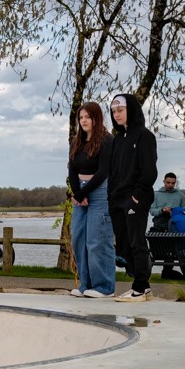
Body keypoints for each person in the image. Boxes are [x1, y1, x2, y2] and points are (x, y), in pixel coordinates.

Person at [106, 93, 157, 301]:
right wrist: (111, 197)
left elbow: (149, 172)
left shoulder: (145, 136)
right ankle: (141, 283)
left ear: (131, 110)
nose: (116, 115)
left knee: (137, 242)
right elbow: (113, 172)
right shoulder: (118, 139)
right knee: (123, 245)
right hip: (117, 200)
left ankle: (140, 287)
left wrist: (136, 196)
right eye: (113, 111)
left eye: (120, 110)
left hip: (135, 199)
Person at [66, 102, 115, 297]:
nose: (83, 121)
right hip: (80, 192)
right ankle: (85, 285)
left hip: (100, 192)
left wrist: (84, 193)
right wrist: (77, 193)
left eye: (88, 117)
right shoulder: (76, 141)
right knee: (78, 239)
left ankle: (104, 287)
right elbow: (72, 169)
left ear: (97, 118)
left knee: (97, 240)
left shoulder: (107, 140)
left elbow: (104, 171)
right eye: (81, 117)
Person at [150, 172, 185, 279]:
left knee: (173, 252)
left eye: (173, 183)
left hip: (175, 228)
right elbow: (152, 211)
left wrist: (174, 211)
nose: (170, 185)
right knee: (160, 251)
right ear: (164, 182)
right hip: (159, 227)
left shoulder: (180, 195)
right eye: (168, 182)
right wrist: (162, 210)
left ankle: (168, 272)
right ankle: (166, 272)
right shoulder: (156, 194)